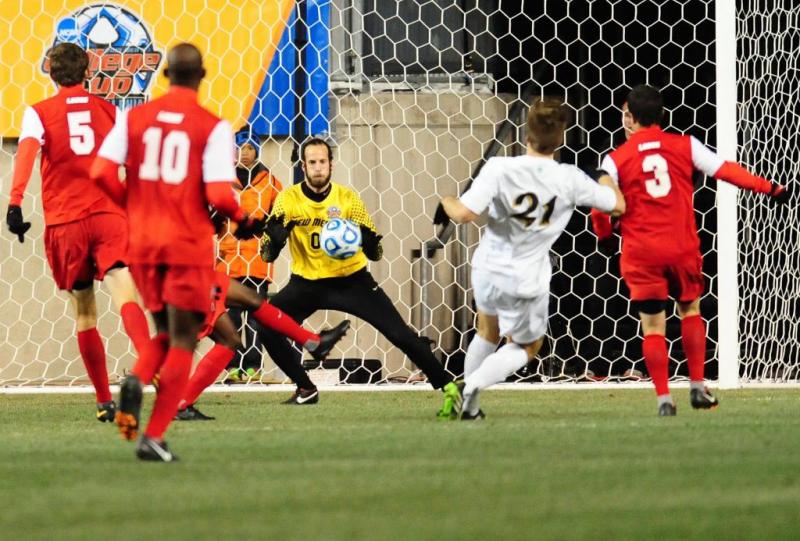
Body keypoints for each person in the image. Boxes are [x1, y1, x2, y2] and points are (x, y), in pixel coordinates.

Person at [91, 43, 263, 461]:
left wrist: (132, 203)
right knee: (184, 337)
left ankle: (136, 379)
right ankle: (152, 435)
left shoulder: (134, 117)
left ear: (165, 74)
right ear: (202, 75)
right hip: (185, 245)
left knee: (164, 332)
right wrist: (242, 219)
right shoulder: (212, 126)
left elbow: (98, 171)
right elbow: (219, 194)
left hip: (142, 244)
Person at [591, 84, 789, 416]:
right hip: (681, 247)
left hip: (641, 252)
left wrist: (605, 236)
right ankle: (697, 386)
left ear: (630, 117)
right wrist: (770, 188)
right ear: (661, 114)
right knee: (691, 311)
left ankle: (664, 400)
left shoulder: (614, 160)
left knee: (653, 326)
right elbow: (726, 171)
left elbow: (600, 204)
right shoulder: (686, 145)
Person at [434, 97, 626, 420]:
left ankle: (467, 403)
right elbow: (617, 205)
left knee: (486, 330)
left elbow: (464, 214)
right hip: (526, 277)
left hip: (487, 268)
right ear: (561, 137)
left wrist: (446, 200)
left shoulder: (499, 168)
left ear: (527, 132)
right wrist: (604, 174)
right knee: (528, 347)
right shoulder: (569, 178)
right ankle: (472, 385)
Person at [259, 137, 461, 413]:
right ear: (302, 166)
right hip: (306, 283)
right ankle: (306, 388)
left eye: (323, 162)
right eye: (312, 163)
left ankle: (449, 387)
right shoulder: (287, 199)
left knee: (400, 334)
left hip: (351, 281)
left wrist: (364, 239)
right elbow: (266, 255)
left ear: (331, 164)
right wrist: (276, 237)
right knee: (266, 324)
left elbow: (376, 252)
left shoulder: (347, 199)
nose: (318, 168)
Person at [4, 43, 151, 422]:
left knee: (85, 312)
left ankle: (104, 401)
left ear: (50, 71)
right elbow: (133, 162)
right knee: (125, 290)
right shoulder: (111, 110)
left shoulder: (38, 113)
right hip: (107, 215)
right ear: (88, 72)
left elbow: (26, 156)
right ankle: (155, 374)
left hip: (66, 223)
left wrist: (15, 204)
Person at [174, 271, 350, 420]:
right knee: (228, 341)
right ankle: (180, 404)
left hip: (200, 270)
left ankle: (313, 343)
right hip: (188, 273)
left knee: (252, 299)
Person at [214, 128, 283, 382]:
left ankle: (254, 367)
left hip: (257, 261)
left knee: (256, 319)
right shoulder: (222, 180)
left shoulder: (271, 182)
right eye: (241, 148)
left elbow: (280, 215)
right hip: (228, 261)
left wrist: (273, 238)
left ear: (257, 150)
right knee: (229, 318)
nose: (245, 153)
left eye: (250, 148)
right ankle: (233, 366)